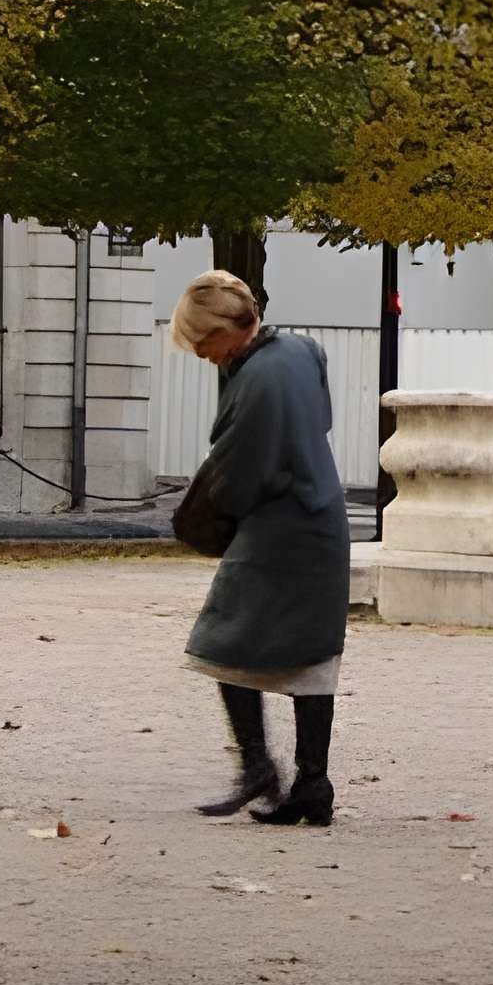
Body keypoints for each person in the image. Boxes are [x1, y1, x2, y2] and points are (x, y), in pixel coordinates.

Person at [170, 273, 350, 826]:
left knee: (222, 642)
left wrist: (203, 521)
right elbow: (322, 419)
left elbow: (238, 474)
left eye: (203, 344)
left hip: (278, 530)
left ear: (226, 330)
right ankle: (312, 785)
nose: (202, 356)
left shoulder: (255, 381)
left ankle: (258, 769)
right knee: (312, 656)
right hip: (321, 514)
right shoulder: (302, 349)